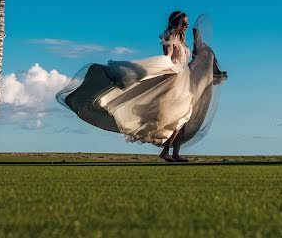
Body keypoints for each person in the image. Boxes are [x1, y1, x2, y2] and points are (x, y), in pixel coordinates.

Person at [56, 11, 226, 163]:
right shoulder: (170, 38)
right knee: (179, 118)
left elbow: (184, 61)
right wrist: (165, 70)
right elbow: (167, 59)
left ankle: (174, 153)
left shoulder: (182, 40)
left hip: (185, 82)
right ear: (176, 23)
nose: (186, 26)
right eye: (184, 23)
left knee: (183, 119)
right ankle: (168, 152)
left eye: (187, 23)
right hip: (175, 81)